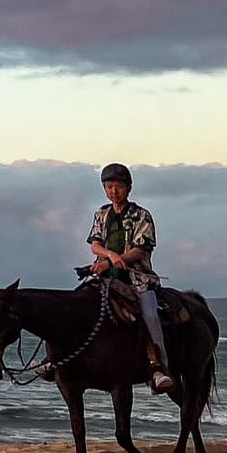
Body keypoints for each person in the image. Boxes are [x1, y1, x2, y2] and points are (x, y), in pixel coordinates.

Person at [87, 161, 176, 396]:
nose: (113, 191)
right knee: (79, 305)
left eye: (118, 186)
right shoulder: (101, 214)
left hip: (138, 279)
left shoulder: (142, 215)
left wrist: (115, 260)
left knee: (149, 314)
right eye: (109, 187)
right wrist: (108, 257)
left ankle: (159, 367)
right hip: (106, 278)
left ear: (128, 188)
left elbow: (141, 249)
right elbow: (95, 244)